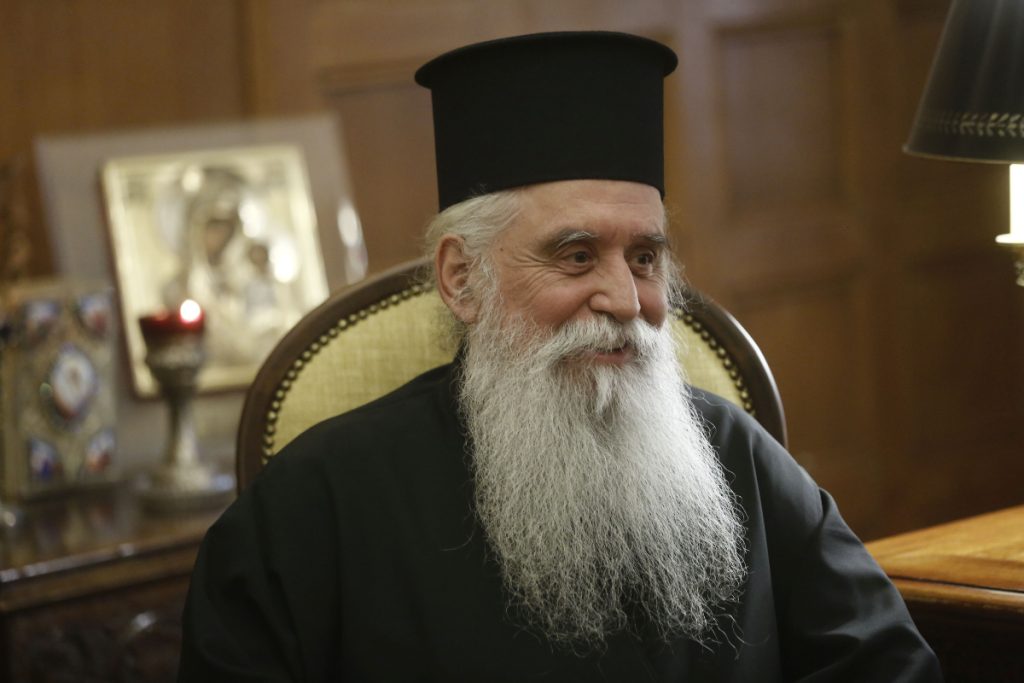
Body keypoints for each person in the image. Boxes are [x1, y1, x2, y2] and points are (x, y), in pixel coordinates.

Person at [177, 32, 943, 681]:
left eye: (645, 258)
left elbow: (890, 665)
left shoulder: (734, 455)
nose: (626, 299)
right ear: (461, 278)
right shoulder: (311, 507)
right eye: (576, 256)